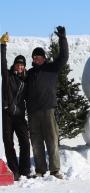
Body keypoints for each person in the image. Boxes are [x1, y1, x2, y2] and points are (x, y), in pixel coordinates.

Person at [26, 26, 69, 179]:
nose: (36, 59)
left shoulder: (51, 68)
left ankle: (55, 170)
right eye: (34, 57)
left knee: (52, 141)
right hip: (33, 113)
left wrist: (62, 39)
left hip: (48, 110)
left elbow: (63, 57)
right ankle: (40, 169)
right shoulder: (29, 73)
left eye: (38, 57)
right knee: (36, 143)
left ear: (44, 58)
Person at [0, 32, 31, 181]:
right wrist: (3, 46)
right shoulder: (7, 75)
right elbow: (3, 62)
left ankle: (25, 170)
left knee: (25, 142)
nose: (19, 67)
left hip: (19, 115)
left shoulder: (26, 80)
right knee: (8, 142)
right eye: (18, 64)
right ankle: (14, 170)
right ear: (14, 65)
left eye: (22, 65)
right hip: (7, 113)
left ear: (25, 67)